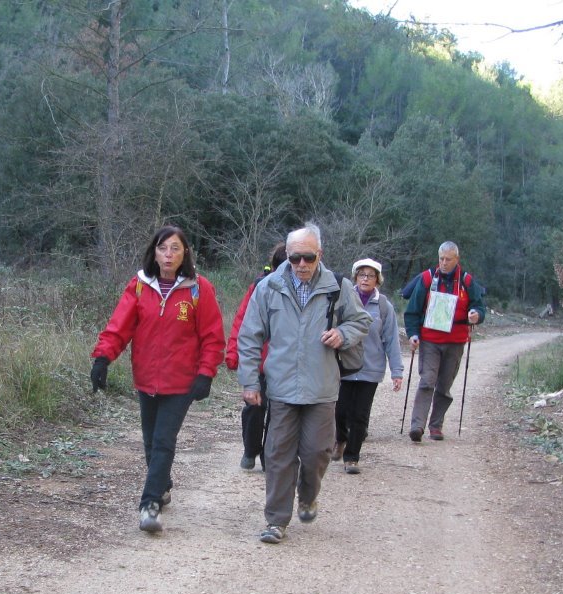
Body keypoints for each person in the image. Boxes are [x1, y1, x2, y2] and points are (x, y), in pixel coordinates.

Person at [237, 223, 372, 544]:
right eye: (294, 257)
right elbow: (249, 336)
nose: (301, 264)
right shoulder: (268, 287)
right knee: (278, 454)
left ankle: (308, 495)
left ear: (319, 255)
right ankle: (276, 521)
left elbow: (361, 321)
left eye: (308, 258)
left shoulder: (338, 287)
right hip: (281, 388)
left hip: (322, 387)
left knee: (316, 453)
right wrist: (249, 382)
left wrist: (343, 334)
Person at [90, 225, 225, 533]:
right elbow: (119, 327)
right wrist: (103, 358)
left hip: (181, 383)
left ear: (184, 253)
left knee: (164, 441)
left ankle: (149, 504)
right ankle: (162, 484)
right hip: (146, 379)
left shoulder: (198, 288)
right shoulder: (139, 286)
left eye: (175, 248)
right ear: (154, 252)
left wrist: (206, 374)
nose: (168, 255)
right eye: (163, 248)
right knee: (151, 444)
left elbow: (212, 336)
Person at [403, 241, 486, 443]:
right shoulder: (427, 279)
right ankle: (417, 426)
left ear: (457, 259)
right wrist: (413, 334)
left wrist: (476, 315)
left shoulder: (467, 281)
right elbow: (412, 311)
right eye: (441, 258)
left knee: (444, 385)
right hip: (430, 340)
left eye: (448, 259)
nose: (444, 263)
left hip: (456, 341)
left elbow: (479, 307)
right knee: (427, 380)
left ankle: (436, 426)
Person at [333, 258, 403, 474]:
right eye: (361, 274)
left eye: (370, 275)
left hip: (370, 368)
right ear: (355, 277)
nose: (365, 279)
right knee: (339, 411)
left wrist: (397, 371)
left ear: (377, 280)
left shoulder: (383, 306)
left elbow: (391, 339)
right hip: (344, 367)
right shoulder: (343, 299)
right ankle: (341, 439)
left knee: (360, 415)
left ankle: (352, 457)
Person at [224, 243, 287, 471]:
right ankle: (251, 451)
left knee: (278, 411)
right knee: (254, 408)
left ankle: (268, 456)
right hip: (259, 361)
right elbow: (242, 322)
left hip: (282, 364)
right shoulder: (259, 287)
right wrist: (234, 354)